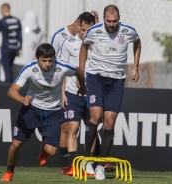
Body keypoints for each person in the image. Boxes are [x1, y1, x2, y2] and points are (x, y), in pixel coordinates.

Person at [0, 43, 86, 182]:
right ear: (37, 59)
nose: (47, 64)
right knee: (16, 144)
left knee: (52, 151)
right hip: (31, 109)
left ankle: (44, 148)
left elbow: (79, 71)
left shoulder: (61, 67)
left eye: (50, 60)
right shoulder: (29, 69)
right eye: (43, 61)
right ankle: (9, 171)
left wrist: (83, 87)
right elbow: (11, 91)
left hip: (53, 113)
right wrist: (22, 99)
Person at [78, 5, 141, 180]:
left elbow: (137, 42)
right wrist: (80, 72)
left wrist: (135, 67)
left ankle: (100, 165)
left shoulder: (129, 31)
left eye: (114, 21)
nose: (111, 24)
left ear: (119, 18)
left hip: (116, 80)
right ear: (104, 18)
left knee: (110, 120)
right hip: (96, 78)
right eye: (108, 21)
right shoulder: (94, 31)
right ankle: (87, 160)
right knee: (96, 115)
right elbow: (84, 48)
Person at [50, 10, 99, 174]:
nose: (85, 33)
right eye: (83, 30)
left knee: (91, 130)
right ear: (79, 26)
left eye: (88, 30)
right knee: (72, 129)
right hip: (72, 93)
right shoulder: (69, 44)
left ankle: (90, 164)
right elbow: (62, 71)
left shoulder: (97, 43)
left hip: (92, 93)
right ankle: (72, 165)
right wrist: (62, 93)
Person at [0, 3, 22, 83]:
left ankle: (9, 88)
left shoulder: (2, 21)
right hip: (14, 48)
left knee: (6, 70)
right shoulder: (17, 20)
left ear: (3, 10)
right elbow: (20, 35)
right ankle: (12, 85)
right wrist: (20, 47)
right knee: (10, 69)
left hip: (6, 48)